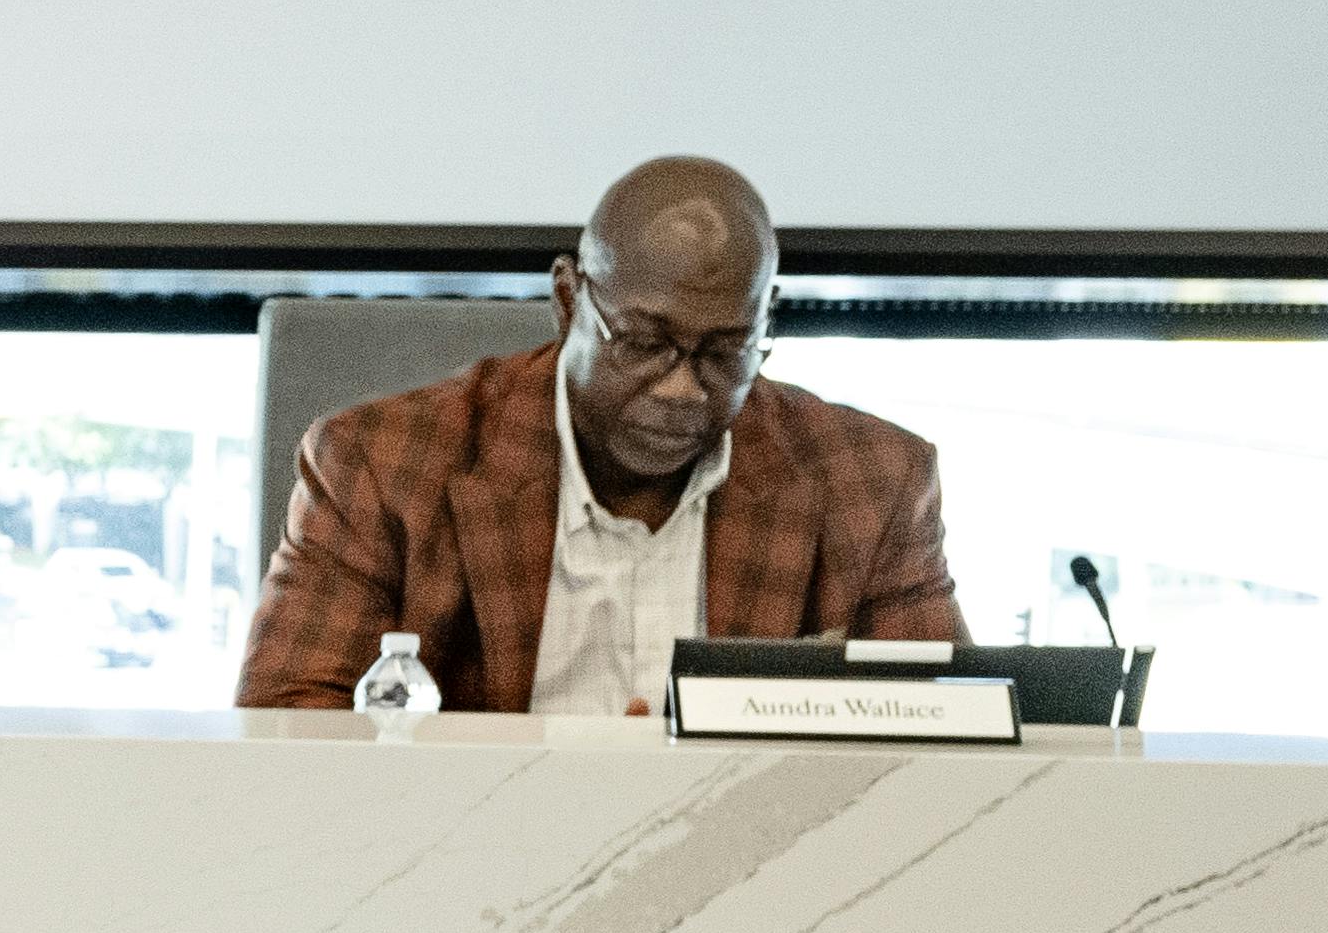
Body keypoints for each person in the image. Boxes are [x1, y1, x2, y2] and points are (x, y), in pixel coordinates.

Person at [236, 155, 966, 715]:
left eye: (724, 352)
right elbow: (287, 733)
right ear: (567, 301)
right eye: (644, 344)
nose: (683, 389)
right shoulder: (383, 464)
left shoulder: (870, 482)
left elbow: (943, 736)